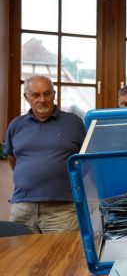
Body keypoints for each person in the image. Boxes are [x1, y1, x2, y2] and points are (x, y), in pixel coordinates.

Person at [4, 75, 86, 233]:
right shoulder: (16, 125)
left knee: (62, 256)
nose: (42, 99)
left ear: (54, 94)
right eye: (36, 95)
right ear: (26, 97)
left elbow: (86, 161)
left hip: (62, 210)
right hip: (22, 208)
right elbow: (13, 160)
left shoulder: (74, 123)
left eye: (47, 93)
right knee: (20, 257)